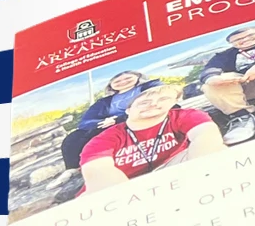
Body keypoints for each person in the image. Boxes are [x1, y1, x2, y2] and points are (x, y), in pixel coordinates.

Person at [79, 82, 225, 192]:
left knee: (220, 150)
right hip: (126, 185)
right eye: (144, 102)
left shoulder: (185, 116)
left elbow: (206, 136)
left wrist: (203, 173)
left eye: (163, 99)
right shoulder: (106, 138)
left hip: (171, 172)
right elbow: (98, 171)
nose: (154, 104)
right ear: (128, 110)